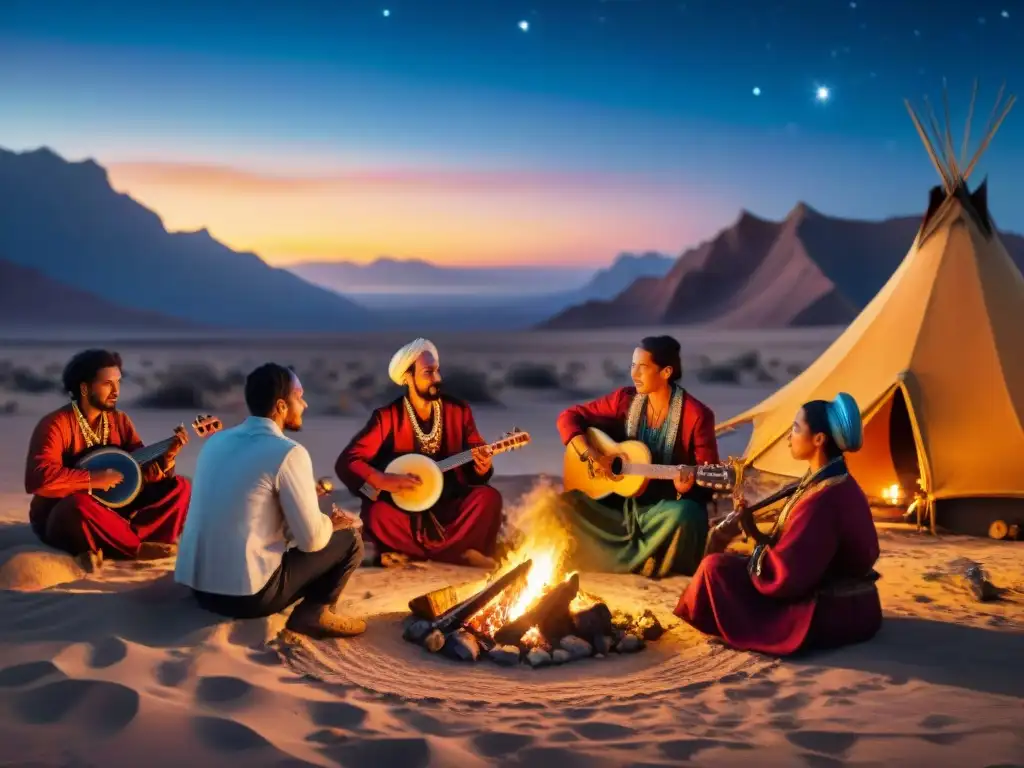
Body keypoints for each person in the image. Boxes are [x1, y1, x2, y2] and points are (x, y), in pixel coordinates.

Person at [674, 392, 882, 656]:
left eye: (796, 428)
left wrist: (743, 550)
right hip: (860, 606)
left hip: (832, 613)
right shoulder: (831, 481)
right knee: (729, 561)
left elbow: (786, 577)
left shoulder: (824, 498)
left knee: (714, 567)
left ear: (819, 439)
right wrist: (751, 531)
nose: (788, 437)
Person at [175, 364, 366, 638]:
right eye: (299, 396)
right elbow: (311, 540)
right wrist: (331, 524)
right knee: (349, 539)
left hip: (200, 591)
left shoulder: (216, 443)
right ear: (281, 406)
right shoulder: (289, 452)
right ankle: (315, 612)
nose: (305, 403)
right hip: (247, 596)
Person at [556, 336, 720, 578]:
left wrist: (686, 487)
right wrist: (591, 454)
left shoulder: (696, 415)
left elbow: (708, 480)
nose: (634, 374)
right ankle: (601, 561)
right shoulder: (624, 400)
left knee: (689, 515)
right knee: (560, 505)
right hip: (618, 505)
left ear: (666, 372)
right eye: (633, 365)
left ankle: (659, 568)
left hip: (662, 512)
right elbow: (568, 417)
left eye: (642, 367)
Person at [335, 338, 503, 569]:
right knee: (377, 514)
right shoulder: (388, 418)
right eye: (428, 372)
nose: (437, 379)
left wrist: (482, 467)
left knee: (488, 498)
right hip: (405, 508)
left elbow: (477, 456)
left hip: (449, 506)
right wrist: (381, 479)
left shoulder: (458, 411)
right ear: (407, 377)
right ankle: (458, 554)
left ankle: (417, 555)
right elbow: (350, 460)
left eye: (437, 371)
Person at [24, 349, 190, 567]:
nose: (115, 391)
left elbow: (137, 475)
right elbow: (38, 480)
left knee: (180, 486)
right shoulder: (56, 424)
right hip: (64, 516)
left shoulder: (119, 420)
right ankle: (134, 548)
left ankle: (120, 541)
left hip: (116, 512)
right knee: (77, 505)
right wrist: (93, 479)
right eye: (107, 384)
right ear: (84, 388)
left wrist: (165, 458)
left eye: (118, 383)